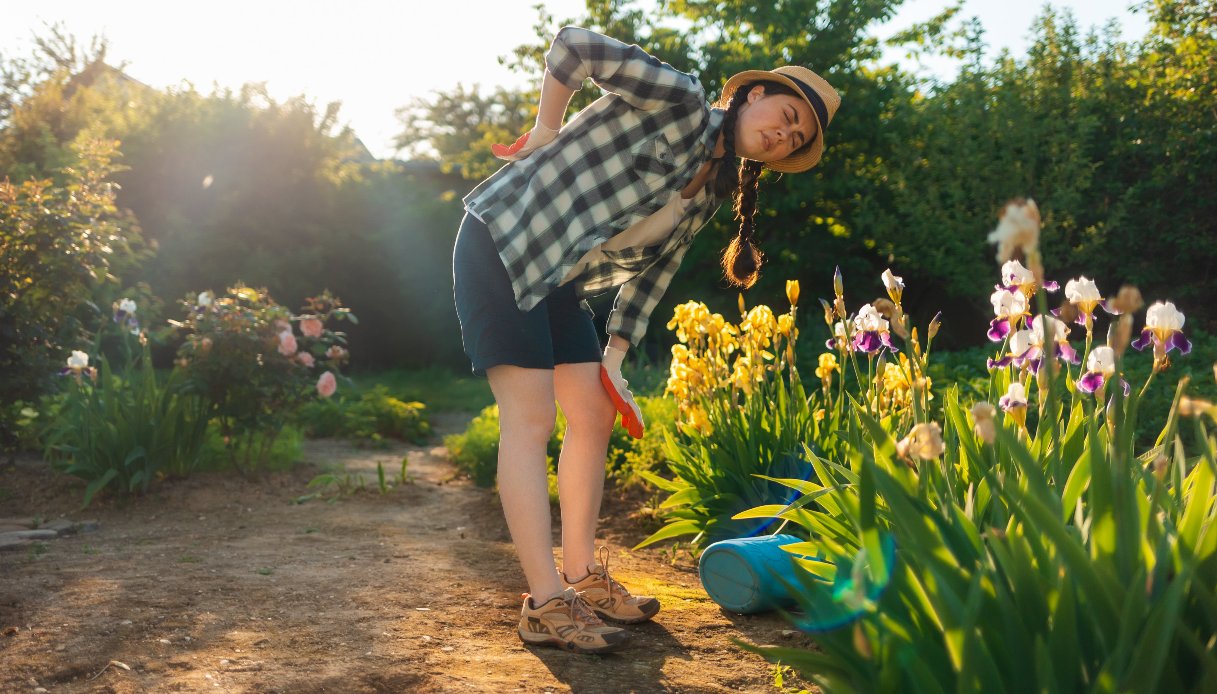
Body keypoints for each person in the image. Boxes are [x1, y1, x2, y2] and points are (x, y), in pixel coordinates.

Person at [452, 25, 840, 654]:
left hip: (559, 278)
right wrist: (547, 128)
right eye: (787, 116)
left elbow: (655, 272)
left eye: (794, 139)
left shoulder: (712, 188)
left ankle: (582, 574)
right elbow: (574, 46)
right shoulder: (678, 99)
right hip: (506, 239)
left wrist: (615, 358)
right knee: (531, 418)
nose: (782, 135)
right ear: (755, 94)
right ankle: (545, 603)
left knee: (595, 412)